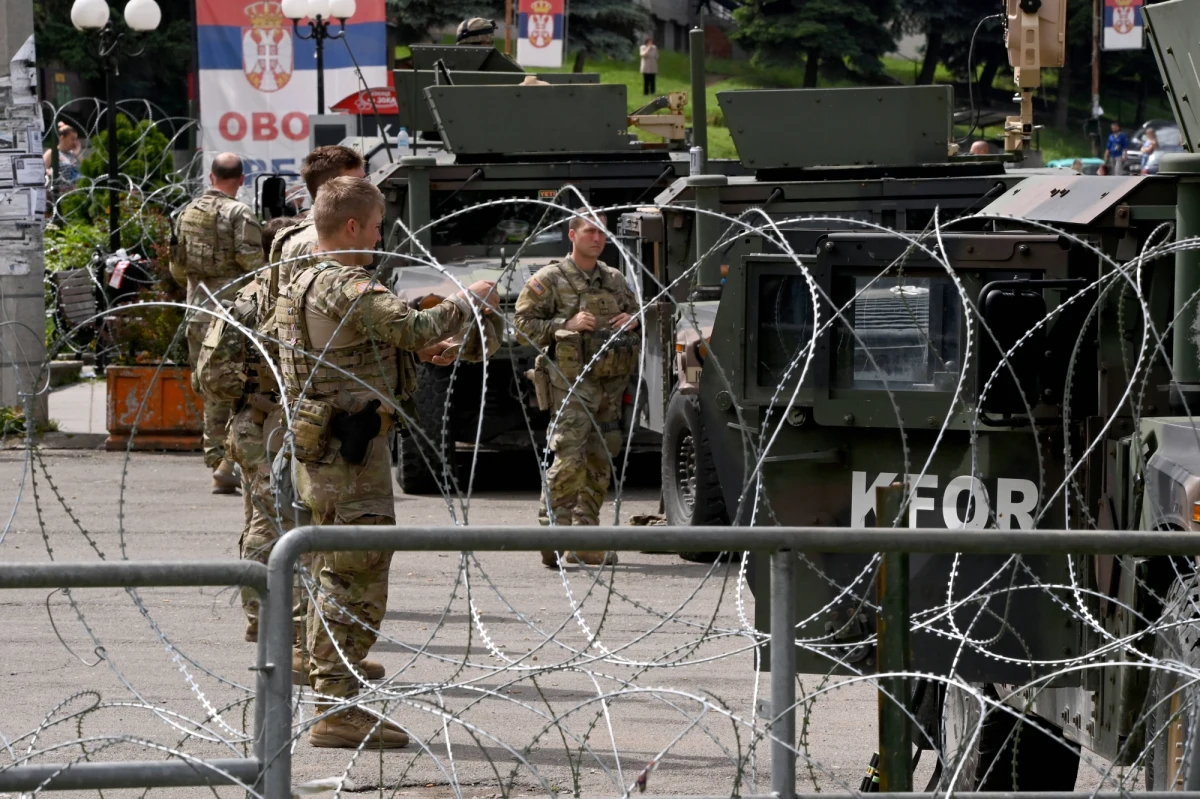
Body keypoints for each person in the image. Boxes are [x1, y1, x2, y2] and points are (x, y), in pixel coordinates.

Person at [277, 176, 495, 748]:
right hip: (349, 459)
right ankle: (336, 709)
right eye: (375, 227)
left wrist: (419, 351)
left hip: (327, 450)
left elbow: (359, 346)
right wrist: (468, 299)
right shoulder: (342, 280)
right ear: (352, 226)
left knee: (333, 573)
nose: (379, 238)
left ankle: (332, 690)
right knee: (356, 578)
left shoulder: (302, 278)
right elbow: (409, 325)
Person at [514, 210, 639, 567]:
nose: (597, 238)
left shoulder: (614, 279)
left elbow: (635, 313)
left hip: (609, 385)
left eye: (602, 233)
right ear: (572, 235)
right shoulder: (550, 279)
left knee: (601, 459)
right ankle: (553, 535)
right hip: (570, 385)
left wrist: (632, 319)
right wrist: (565, 324)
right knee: (568, 459)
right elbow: (521, 325)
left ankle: (585, 540)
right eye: (589, 231)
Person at [170, 152, 263, 493]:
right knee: (239, 388)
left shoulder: (186, 213)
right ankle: (229, 462)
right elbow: (253, 264)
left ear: (211, 178)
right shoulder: (240, 214)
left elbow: (177, 267)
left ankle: (217, 461)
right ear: (241, 180)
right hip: (232, 316)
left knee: (209, 389)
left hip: (197, 312)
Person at [270, 145, 367, 292]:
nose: (368, 190)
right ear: (333, 190)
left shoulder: (329, 233)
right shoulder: (321, 241)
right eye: (358, 184)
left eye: (366, 182)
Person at [43, 123, 82, 195]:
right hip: (59, 193)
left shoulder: (72, 154)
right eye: (72, 139)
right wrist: (50, 173)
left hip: (75, 193)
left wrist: (77, 154)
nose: (75, 143)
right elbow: (41, 169)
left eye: (76, 139)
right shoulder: (53, 152)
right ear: (62, 138)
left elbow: (86, 169)